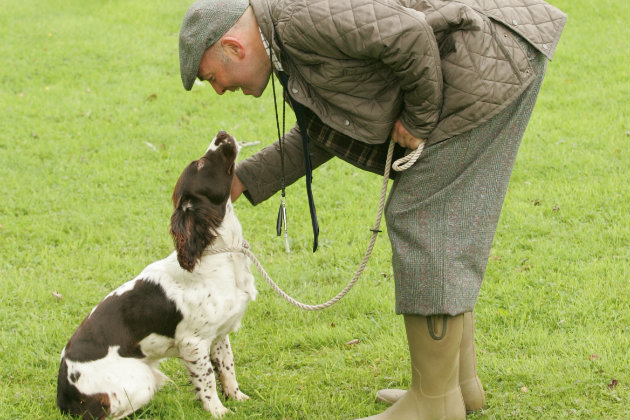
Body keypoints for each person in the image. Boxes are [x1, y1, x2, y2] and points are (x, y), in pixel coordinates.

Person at [178, 0, 566, 418]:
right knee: (438, 225)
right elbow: (329, 129)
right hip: (491, 55)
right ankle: (457, 389)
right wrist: (242, 180)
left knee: (425, 220)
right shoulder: (285, 39)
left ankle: (434, 403)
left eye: (212, 78)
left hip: (491, 58)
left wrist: (418, 119)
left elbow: (410, 35)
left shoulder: (295, 21)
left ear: (235, 48)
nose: (218, 90)